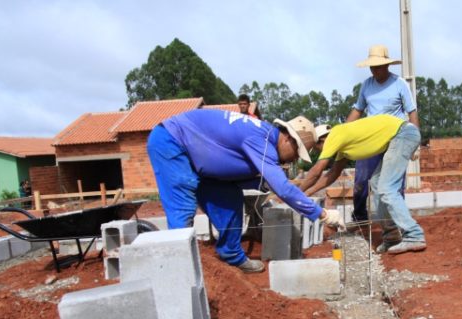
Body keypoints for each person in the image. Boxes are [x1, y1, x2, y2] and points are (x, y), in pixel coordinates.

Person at [146, 109, 344, 273]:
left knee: (230, 199)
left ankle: (231, 255)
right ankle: (179, 270)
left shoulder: (264, 138)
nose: (293, 160)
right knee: (183, 206)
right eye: (296, 153)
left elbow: (241, 169)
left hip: (203, 163)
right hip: (172, 141)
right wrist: (322, 214)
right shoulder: (262, 140)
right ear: (287, 139)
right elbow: (282, 188)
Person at [300, 115, 425, 254]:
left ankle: (414, 235)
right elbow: (333, 173)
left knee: (387, 188)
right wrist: (307, 193)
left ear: (322, 139)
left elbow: (318, 169)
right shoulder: (343, 146)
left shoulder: (336, 134)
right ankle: (392, 237)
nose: (321, 152)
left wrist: (296, 193)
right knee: (377, 184)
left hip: (403, 134)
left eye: (318, 149)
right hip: (399, 136)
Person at [347, 44, 419, 222]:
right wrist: (343, 131)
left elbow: (412, 113)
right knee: (361, 180)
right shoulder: (366, 85)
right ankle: (360, 217)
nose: (375, 70)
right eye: (372, 67)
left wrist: (414, 146)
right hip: (371, 140)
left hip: (395, 141)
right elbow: (358, 109)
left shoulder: (399, 84)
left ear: (387, 65)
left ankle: (397, 222)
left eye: (378, 66)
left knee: (394, 185)